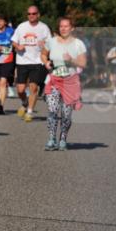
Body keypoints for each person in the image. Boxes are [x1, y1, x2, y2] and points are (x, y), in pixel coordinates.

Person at [41, 17, 87, 151]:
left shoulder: (78, 44)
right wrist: (46, 62)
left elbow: (83, 63)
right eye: (61, 26)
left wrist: (71, 60)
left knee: (66, 114)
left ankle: (63, 138)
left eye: (66, 26)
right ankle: (51, 139)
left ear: (72, 28)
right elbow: (43, 54)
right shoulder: (51, 41)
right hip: (54, 79)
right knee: (53, 110)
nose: (63, 28)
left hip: (70, 82)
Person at [11, 5, 52, 123]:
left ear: (38, 14)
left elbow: (50, 43)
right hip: (22, 60)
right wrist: (18, 46)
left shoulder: (44, 28)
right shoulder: (21, 26)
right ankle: (24, 102)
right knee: (20, 89)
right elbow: (13, 41)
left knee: (34, 88)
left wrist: (44, 43)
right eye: (29, 14)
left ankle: (29, 112)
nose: (31, 16)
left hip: (37, 61)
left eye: (34, 13)